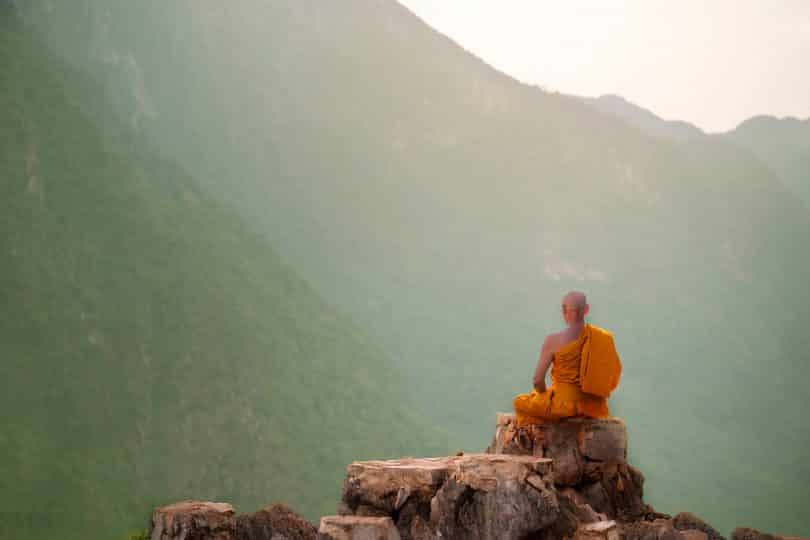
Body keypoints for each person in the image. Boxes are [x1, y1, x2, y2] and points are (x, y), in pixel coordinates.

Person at [513, 291, 619, 427]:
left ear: (564, 311)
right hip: (594, 407)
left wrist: (543, 396)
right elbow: (612, 376)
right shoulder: (604, 338)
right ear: (586, 310)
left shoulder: (552, 341)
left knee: (519, 402)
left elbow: (537, 380)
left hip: (563, 407)